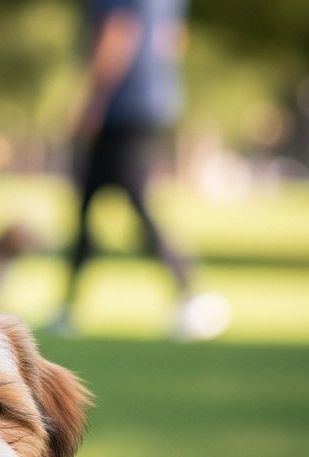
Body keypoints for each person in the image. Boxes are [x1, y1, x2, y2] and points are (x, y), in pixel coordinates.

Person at [46, 0, 229, 340]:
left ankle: (193, 295)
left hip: (120, 111)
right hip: (151, 104)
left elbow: (118, 33)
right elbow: (172, 38)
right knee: (89, 203)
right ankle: (68, 306)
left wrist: (92, 102)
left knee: (131, 203)